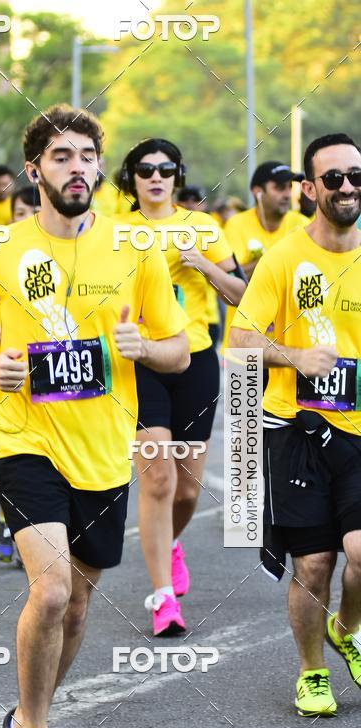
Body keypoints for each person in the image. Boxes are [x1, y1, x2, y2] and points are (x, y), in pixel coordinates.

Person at [0, 104, 189, 728]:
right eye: (61, 156)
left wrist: (145, 348)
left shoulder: (135, 249)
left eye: (86, 155)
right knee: (49, 591)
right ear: (35, 170)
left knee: (77, 610)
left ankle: (22, 716)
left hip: (105, 451)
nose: (76, 166)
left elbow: (177, 349)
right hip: (25, 438)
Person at [229, 133, 361, 717]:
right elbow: (239, 341)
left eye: (356, 175)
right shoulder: (284, 257)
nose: (348, 187)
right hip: (295, 430)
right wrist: (295, 357)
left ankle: (347, 628)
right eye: (333, 178)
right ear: (310, 190)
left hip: (358, 429)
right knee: (314, 564)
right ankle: (312, 672)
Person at [118, 138, 246, 634]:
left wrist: (204, 265)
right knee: (157, 479)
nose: (156, 176)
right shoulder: (114, 233)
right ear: (131, 179)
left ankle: (170, 543)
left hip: (194, 361)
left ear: (176, 175)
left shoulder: (202, 228)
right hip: (140, 361)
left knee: (188, 492)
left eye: (165, 168)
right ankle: (163, 598)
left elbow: (243, 296)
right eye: (145, 169)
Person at [0, 185, 41, 565]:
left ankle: (33, 523)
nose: (28, 219)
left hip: (57, 373)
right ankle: (10, 517)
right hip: (5, 370)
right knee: (13, 450)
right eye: (21, 211)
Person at [221, 162, 308, 354]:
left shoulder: (301, 223)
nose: (287, 194)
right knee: (243, 385)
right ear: (257, 192)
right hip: (243, 344)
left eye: (289, 187)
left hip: (290, 347)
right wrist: (277, 259)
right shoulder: (237, 224)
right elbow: (233, 276)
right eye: (279, 188)